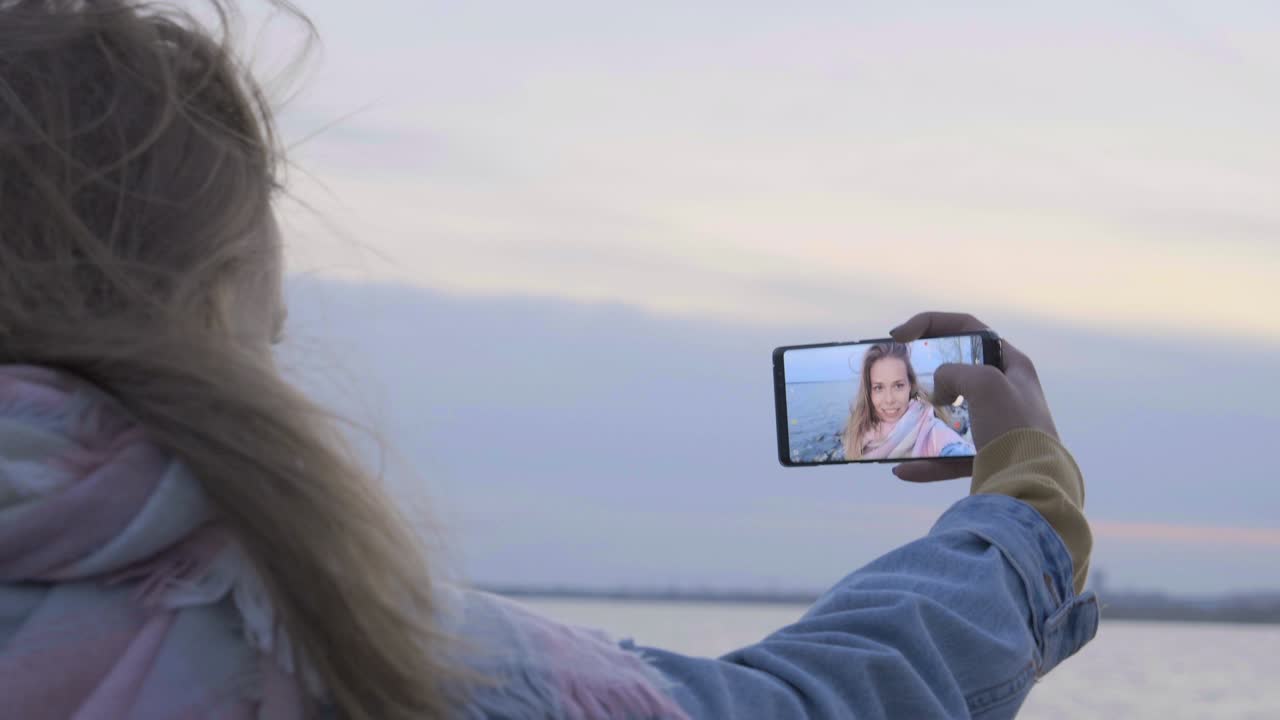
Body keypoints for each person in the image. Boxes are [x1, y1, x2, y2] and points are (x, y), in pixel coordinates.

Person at [0, 2, 1096, 718]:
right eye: (256, 347)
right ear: (199, 330)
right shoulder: (325, 659)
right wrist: (1027, 507)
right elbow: (806, 707)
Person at [839, 342, 975, 460]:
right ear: (869, 391)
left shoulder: (930, 429)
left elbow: (955, 450)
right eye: (879, 387)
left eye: (898, 386)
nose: (889, 400)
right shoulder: (859, 434)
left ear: (910, 385)